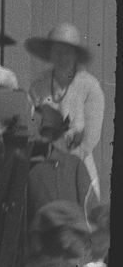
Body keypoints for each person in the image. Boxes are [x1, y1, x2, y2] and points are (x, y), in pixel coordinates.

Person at [27, 22, 106, 200]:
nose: (62, 56)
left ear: (76, 54)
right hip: (46, 169)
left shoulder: (90, 87)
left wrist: (67, 162)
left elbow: (89, 139)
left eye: (67, 51)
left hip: (79, 170)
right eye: (57, 50)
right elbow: (32, 127)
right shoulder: (38, 86)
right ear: (50, 53)